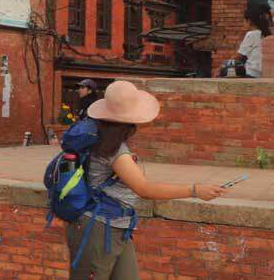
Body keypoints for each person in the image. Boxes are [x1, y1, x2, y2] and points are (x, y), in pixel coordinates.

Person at [64, 80, 227, 278]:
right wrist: (194, 190)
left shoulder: (100, 137)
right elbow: (145, 189)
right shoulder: (113, 150)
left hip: (117, 225)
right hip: (98, 227)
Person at [237, 3, 272, 77]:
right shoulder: (266, 34)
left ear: (249, 21)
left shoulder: (251, 34)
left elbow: (239, 56)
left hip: (251, 72)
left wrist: (221, 67)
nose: (243, 24)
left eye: (243, 21)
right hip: (263, 73)